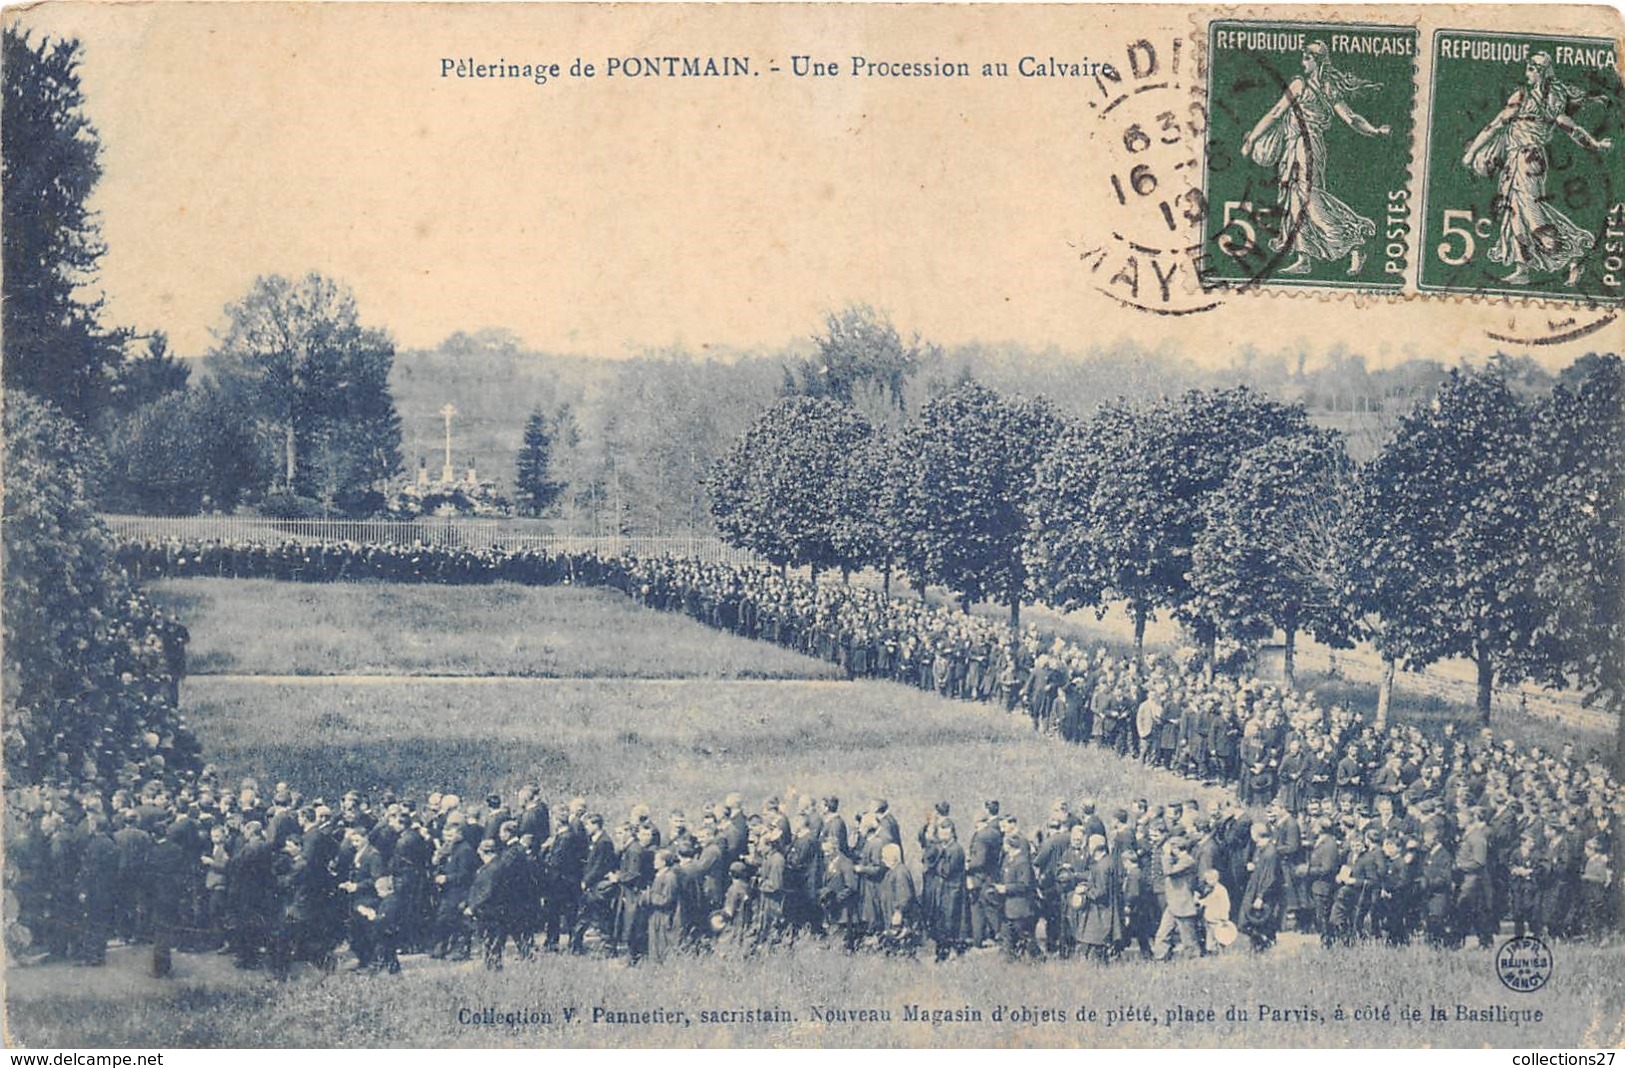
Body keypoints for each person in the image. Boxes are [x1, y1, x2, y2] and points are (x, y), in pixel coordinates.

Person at [1239, 40, 1392, 275]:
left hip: (1306, 146)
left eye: (1306, 58)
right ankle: (1304, 258)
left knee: (1309, 198)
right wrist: (1373, 130)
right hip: (1298, 146)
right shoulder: (1324, 86)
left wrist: (1251, 139)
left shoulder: (1304, 85)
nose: (1302, 62)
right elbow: (1351, 118)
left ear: (1316, 61)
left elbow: (1277, 112)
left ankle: (1354, 240)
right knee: (1296, 201)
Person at [1462, 52, 1613, 286]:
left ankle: (1574, 255)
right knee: (1514, 214)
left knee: (1532, 214)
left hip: (1526, 159)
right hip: (1521, 159)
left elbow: (1494, 125)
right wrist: (1595, 144)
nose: (1527, 73)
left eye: (1531, 69)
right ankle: (1523, 268)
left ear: (1540, 71)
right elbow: (1573, 129)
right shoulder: (1552, 101)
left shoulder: (1524, 97)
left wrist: (1472, 153)